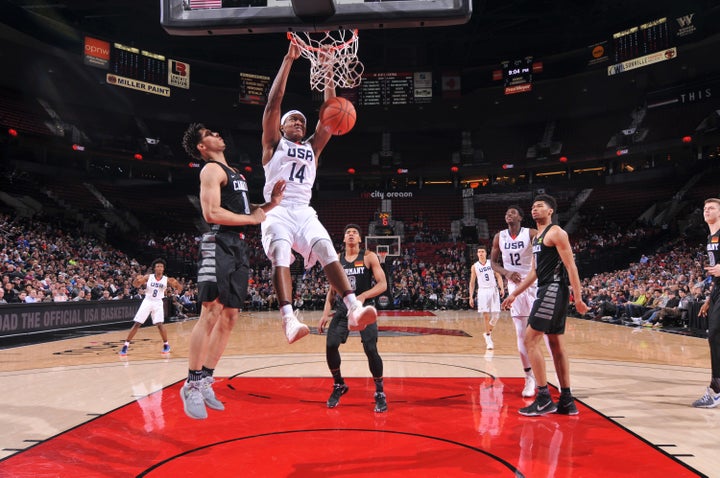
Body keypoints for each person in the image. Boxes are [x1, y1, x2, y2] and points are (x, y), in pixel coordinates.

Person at [260, 42, 377, 344]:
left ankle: (353, 307)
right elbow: (274, 104)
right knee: (281, 253)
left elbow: (329, 115)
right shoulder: (274, 145)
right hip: (278, 210)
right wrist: (288, 60)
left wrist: (326, 70)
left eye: (301, 120)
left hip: (304, 210)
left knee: (327, 248)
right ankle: (288, 319)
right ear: (282, 127)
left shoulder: (312, 147)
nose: (298, 122)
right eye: (292, 120)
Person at [179, 122, 285, 420]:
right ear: (202, 147)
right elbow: (211, 212)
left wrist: (270, 205)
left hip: (237, 245)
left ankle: (206, 378)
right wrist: (252, 219)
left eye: (216, 131)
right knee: (211, 309)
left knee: (230, 315)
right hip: (217, 241)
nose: (217, 134)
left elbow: (244, 210)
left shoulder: (235, 173)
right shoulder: (210, 170)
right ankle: (191, 383)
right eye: (210, 135)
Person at [502, 194, 588, 416]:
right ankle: (567, 400)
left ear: (550, 211)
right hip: (546, 288)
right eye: (532, 207)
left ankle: (543, 398)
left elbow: (572, 267)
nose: (534, 209)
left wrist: (577, 298)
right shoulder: (537, 238)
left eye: (539, 206)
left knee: (530, 339)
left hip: (553, 290)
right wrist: (515, 295)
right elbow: (534, 272)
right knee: (556, 344)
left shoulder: (557, 232)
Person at [318, 224, 388, 412]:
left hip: (364, 309)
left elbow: (383, 285)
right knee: (331, 344)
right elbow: (332, 290)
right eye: (347, 232)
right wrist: (325, 313)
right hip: (343, 310)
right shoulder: (337, 259)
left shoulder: (368, 256)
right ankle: (339, 384)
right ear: (343, 239)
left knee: (371, 349)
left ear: (359, 239)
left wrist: (364, 295)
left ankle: (380, 392)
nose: (351, 234)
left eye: (355, 232)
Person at [490, 205, 539, 397]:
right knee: (521, 333)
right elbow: (493, 263)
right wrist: (506, 272)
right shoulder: (499, 236)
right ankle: (529, 378)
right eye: (506, 212)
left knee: (544, 331)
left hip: (534, 282)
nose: (508, 215)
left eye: (512, 212)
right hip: (514, 286)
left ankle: (559, 379)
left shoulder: (532, 233)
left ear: (520, 217)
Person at [119, 259, 182, 356]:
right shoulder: (149, 277)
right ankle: (125, 345)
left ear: (163, 269)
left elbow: (180, 289)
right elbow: (136, 285)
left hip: (158, 302)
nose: (159, 268)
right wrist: (136, 279)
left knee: (159, 324)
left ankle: (166, 345)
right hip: (147, 301)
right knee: (137, 323)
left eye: (161, 266)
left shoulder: (167, 279)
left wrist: (177, 284)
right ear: (154, 268)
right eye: (157, 266)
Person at [693, 198, 720, 408]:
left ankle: (716, 389)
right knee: (714, 337)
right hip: (718, 291)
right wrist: (710, 299)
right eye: (705, 208)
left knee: (715, 337)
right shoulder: (710, 236)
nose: (706, 211)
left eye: (711, 208)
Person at [469, 245, 504, 350]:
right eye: (479, 251)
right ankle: (488, 338)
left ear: (485, 253)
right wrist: (471, 296)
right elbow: (472, 282)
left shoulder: (491, 263)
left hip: (493, 289)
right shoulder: (475, 266)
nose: (480, 253)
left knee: (496, 316)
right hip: (483, 291)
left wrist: (501, 288)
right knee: (486, 315)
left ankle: (487, 332)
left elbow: (498, 276)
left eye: (482, 251)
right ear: (477, 254)